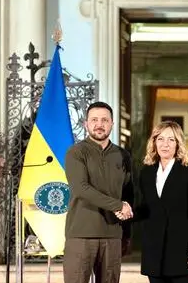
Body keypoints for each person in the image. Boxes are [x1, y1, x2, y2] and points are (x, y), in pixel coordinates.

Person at [118, 121, 188, 283]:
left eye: (171, 140)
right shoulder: (147, 172)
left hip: (182, 252)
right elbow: (148, 208)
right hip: (154, 251)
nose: (165, 144)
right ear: (154, 142)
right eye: (161, 139)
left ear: (178, 144)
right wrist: (128, 213)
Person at [63, 101, 134, 283]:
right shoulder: (76, 152)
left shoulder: (123, 155)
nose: (99, 124)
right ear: (86, 124)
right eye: (94, 120)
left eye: (104, 120)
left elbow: (128, 195)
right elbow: (81, 188)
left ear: (112, 124)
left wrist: (126, 234)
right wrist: (118, 205)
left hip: (112, 236)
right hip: (81, 235)